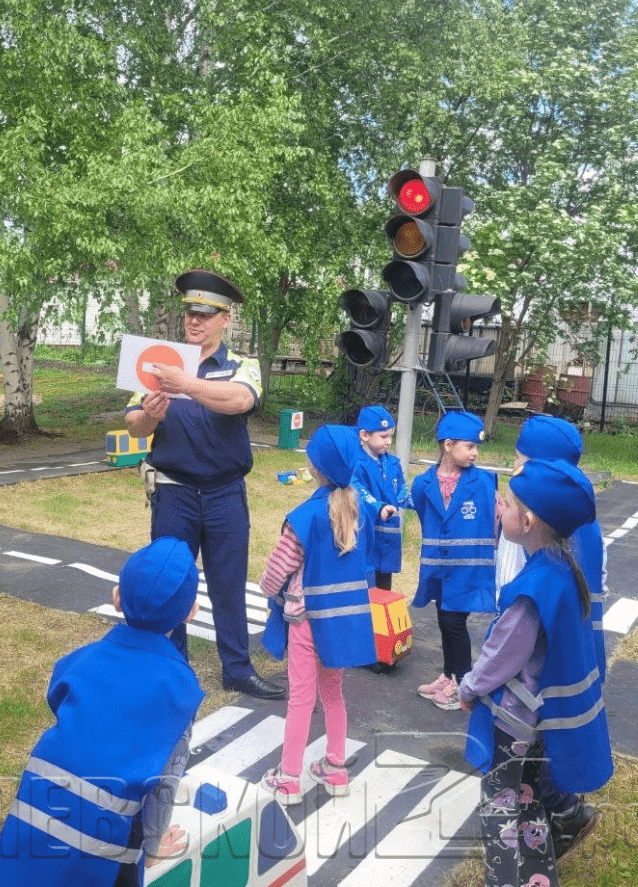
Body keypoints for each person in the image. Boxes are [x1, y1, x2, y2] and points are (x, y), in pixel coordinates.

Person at [0, 537, 204, 887]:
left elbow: (58, 698)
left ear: (116, 597)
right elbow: (165, 780)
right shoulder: (182, 690)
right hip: (109, 836)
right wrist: (154, 844)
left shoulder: (81, 659)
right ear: (191, 612)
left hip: (39, 806)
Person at [124, 269, 284, 701]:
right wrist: (151, 413)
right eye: (190, 313)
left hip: (224, 493)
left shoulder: (241, 364)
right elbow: (135, 426)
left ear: (225, 319)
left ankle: (236, 668)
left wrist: (184, 385)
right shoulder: (158, 360)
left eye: (206, 314)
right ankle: (171, 664)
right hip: (173, 491)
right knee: (170, 580)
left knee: (228, 584)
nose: (195, 321)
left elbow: (240, 400)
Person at [459, 459, 614, 887]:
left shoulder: (532, 589)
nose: (499, 510)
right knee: (528, 806)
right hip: (541, 723)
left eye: (505, 503)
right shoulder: (563, 568)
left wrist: (468, 687)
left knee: (501, 807)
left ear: (525, 521)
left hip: (515, 725)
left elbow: (501, 656)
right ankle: (538, 878)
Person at [503, 415, 608, 861]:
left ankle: (562, 818)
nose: (513, 463)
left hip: (544, 658)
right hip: (565, 647)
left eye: (519, 457)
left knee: (541, 744)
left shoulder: (559, 530)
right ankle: (556, 814)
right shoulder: (572, 514)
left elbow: (537, 599)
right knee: (543, 743)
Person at [257, 424, 377, 805]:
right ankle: (335, 769)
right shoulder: (362, 512)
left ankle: (289, 777)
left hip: (306, 623)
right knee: (333, 694)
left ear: (314, 467)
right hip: (341, 623)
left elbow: (278, 570)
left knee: (300, 699)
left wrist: (268, 590)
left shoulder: (305, 517)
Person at [409, 410, 498, 710]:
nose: (475, 453)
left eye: (477, 447)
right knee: (444, 621)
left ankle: (462, 684)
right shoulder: (423, 485)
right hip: (438, 567)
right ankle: (448, 675)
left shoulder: (485, 483)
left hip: (468, 570)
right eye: (469, 446)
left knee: (454, 623)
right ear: (448, 445)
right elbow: (427, 517)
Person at [350, 405, 414, 590]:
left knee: (384, 589)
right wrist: (378, 506)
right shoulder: (356, 463)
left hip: (388, 541)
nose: (388, 441)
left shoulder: (393, 463)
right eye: (383, 437)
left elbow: (402, 492)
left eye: (390, 436)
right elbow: (358, 491)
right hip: (366, 536)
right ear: (364, 435)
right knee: (365, 589)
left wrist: (420, 502)